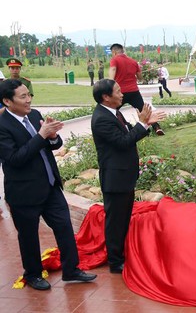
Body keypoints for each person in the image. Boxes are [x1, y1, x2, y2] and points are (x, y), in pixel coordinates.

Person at [0, 79, 97, 290]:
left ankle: (71, 269)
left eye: (29, 95)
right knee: (28, 236)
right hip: (24, 192)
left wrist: (52, 136)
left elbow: (52, 145)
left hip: (50, 185)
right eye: (23, 97)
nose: (29, 100)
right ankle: (33, 274)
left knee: (64, 228)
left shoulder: (34, 115)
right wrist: (41, 135)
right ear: (7, 101)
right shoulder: (2, 126)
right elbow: (15, 159)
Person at [91, 79, 165, 274]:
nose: (122, 94)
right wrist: (142, 123)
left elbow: (129, 135)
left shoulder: (113, 113)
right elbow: (123, 142)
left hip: (123, 176)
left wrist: (145, 124)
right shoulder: (101, 119)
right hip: (115, 179)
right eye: (117, 91)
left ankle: (121, 254)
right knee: (116, 221)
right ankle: (115, 262)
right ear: (106, 97)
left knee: (123, 218)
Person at [108, 43, 164, 135]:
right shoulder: (133, 61)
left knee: (112, 112)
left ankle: (126, 128)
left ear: (114, 52)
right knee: (143, 110)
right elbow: (140, 77)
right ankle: (156, 127)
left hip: (120, 93)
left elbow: (113, 70)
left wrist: (109, 84)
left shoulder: (114, 60)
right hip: (134, 91)